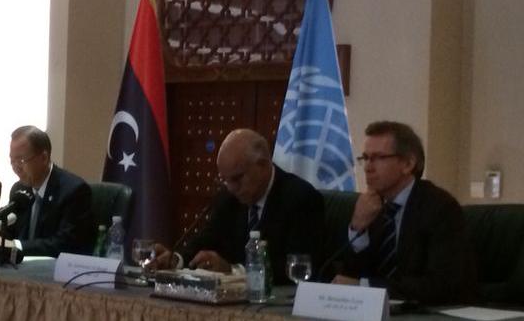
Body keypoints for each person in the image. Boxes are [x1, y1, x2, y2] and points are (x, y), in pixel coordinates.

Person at [151, 128, 325, 283]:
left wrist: (233, 271)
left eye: (237, 178)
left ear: (263, 165)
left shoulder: (301, 198)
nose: (231, 188)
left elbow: (297, 268)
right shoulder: (228, 198)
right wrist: (176, 260)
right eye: (224, 180)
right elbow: (205, 240)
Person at [333, 121, 477, 304]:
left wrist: (365, 287)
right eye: (365, 158)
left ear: (408, 164)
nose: (368, 167)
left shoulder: (440, 208)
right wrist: (357, 227)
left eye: (378, 158)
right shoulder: (369, 206)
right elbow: (348, 275)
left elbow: (441, 284)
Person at [0, 125, 94, 257]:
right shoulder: (19, 189)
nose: (16, 168)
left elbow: (64, 244)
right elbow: (10, 230)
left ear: (44, 158)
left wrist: (16, 245)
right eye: (12, 160)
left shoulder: (74, 191)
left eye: (21, 160)